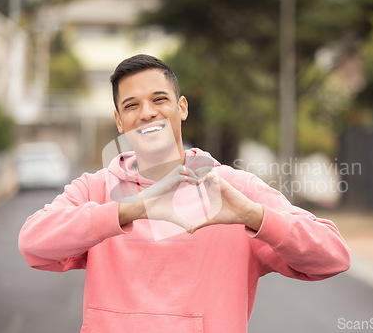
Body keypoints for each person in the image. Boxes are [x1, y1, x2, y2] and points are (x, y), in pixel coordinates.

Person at [18, 54, 351, 333]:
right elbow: (34, 243)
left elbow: (333, 256)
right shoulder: (96, 188)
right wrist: (130, 210)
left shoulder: (234, 190)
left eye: (159, 99)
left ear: (182, 107)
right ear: (120, 121)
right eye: (132, 105)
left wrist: (254, 216)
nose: (147, 112)